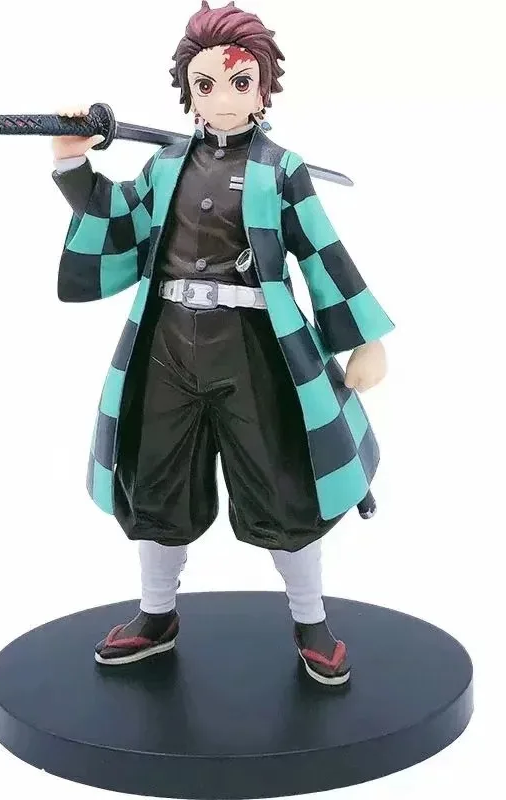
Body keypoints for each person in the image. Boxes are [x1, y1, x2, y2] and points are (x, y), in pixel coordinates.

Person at [50, 1, 394, 686]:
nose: (223, 98)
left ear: (264, 87)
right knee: (154, 478)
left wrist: (364, 339)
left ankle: (311, 621)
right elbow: (121, 222)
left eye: (240, 82)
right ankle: (156, 614)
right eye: (204, 84)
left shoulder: (280, 169)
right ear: (187, 91)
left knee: (284, 480)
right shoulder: (164, 167)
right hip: (166, 349)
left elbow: (320, 249)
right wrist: (72, 166)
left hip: (255, 353)